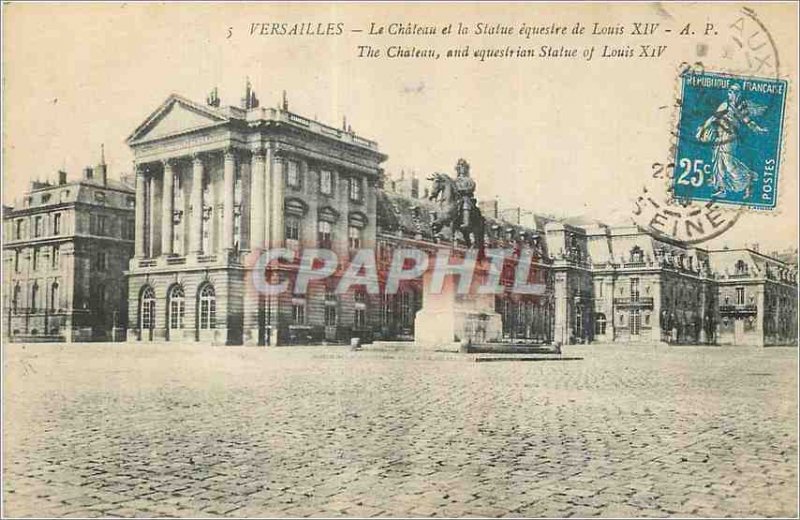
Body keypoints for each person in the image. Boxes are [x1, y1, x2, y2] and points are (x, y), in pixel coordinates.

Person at [695, 83, 768, 199]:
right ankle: (721, 188)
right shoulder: (725, 105)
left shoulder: (740, 108)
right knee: (719, 162)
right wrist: (702, 130)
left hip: (730, 137)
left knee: (728, 162)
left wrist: (759, 129)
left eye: (733, 92)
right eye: (730, 92)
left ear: (738, 94)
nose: (731, 94)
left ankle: (747, 178)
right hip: (720, 136)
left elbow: (748, 122)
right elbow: (713, 118)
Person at [453, 158, 477, 227]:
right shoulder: (455, 181)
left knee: (465, 204)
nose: (462, 169)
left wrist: (463, 190)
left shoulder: (469, 180)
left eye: (463, 167)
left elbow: (472, 188)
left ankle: (466, 222)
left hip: (466, 198)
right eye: (460, 167)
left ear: (466, 169)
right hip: (456, 198)